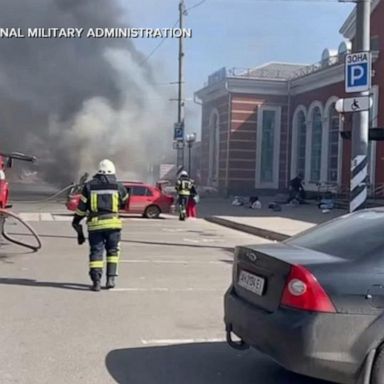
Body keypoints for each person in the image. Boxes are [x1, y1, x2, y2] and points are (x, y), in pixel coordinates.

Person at [72, 159, 129, 292]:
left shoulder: (89, 186)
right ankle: (111, 279)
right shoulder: (118, 186)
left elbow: (81, 208)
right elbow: (125, 201)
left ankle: (96, 282)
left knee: (96, 253)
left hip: (95, 226)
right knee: (113, 252)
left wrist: (76, 221)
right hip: (113, 224)